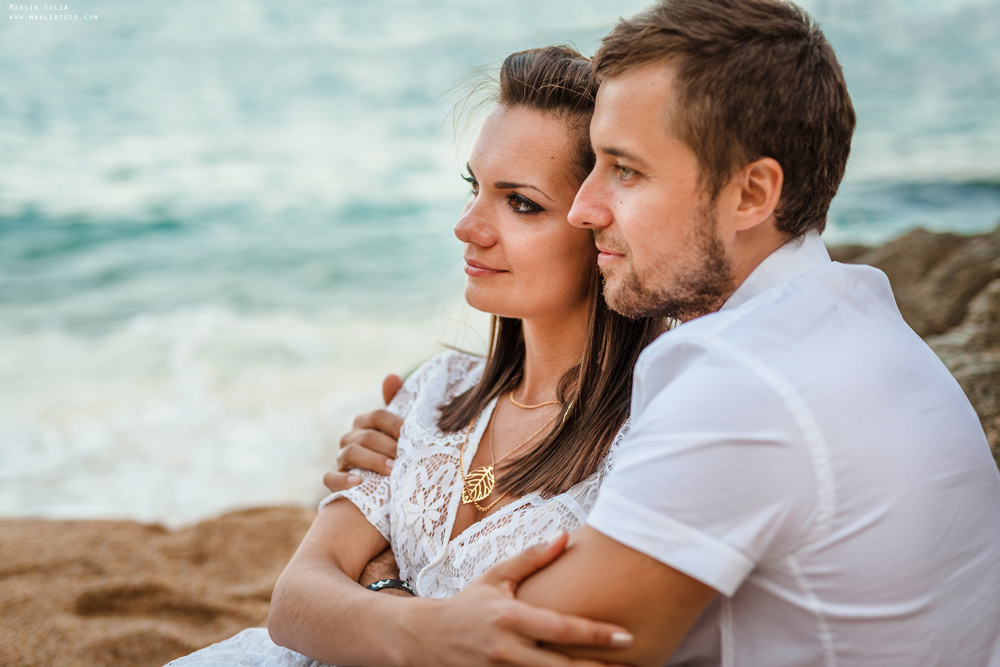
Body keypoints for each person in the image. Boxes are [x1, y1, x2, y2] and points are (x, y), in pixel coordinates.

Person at [330, 0, 1000, 665]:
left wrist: (384, 580)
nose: (587, 210)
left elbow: (521, 647)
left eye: (625, 169)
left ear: (750, 195)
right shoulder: (845, 322)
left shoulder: (746, 383)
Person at [166, 45, 663, 667]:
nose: (467, 225)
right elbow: (293, 604)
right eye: (473, 188)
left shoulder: (649, 434)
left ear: (604, 226)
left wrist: (378, 588)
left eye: (521, 203)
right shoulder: (439, 389)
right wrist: (417, 621)